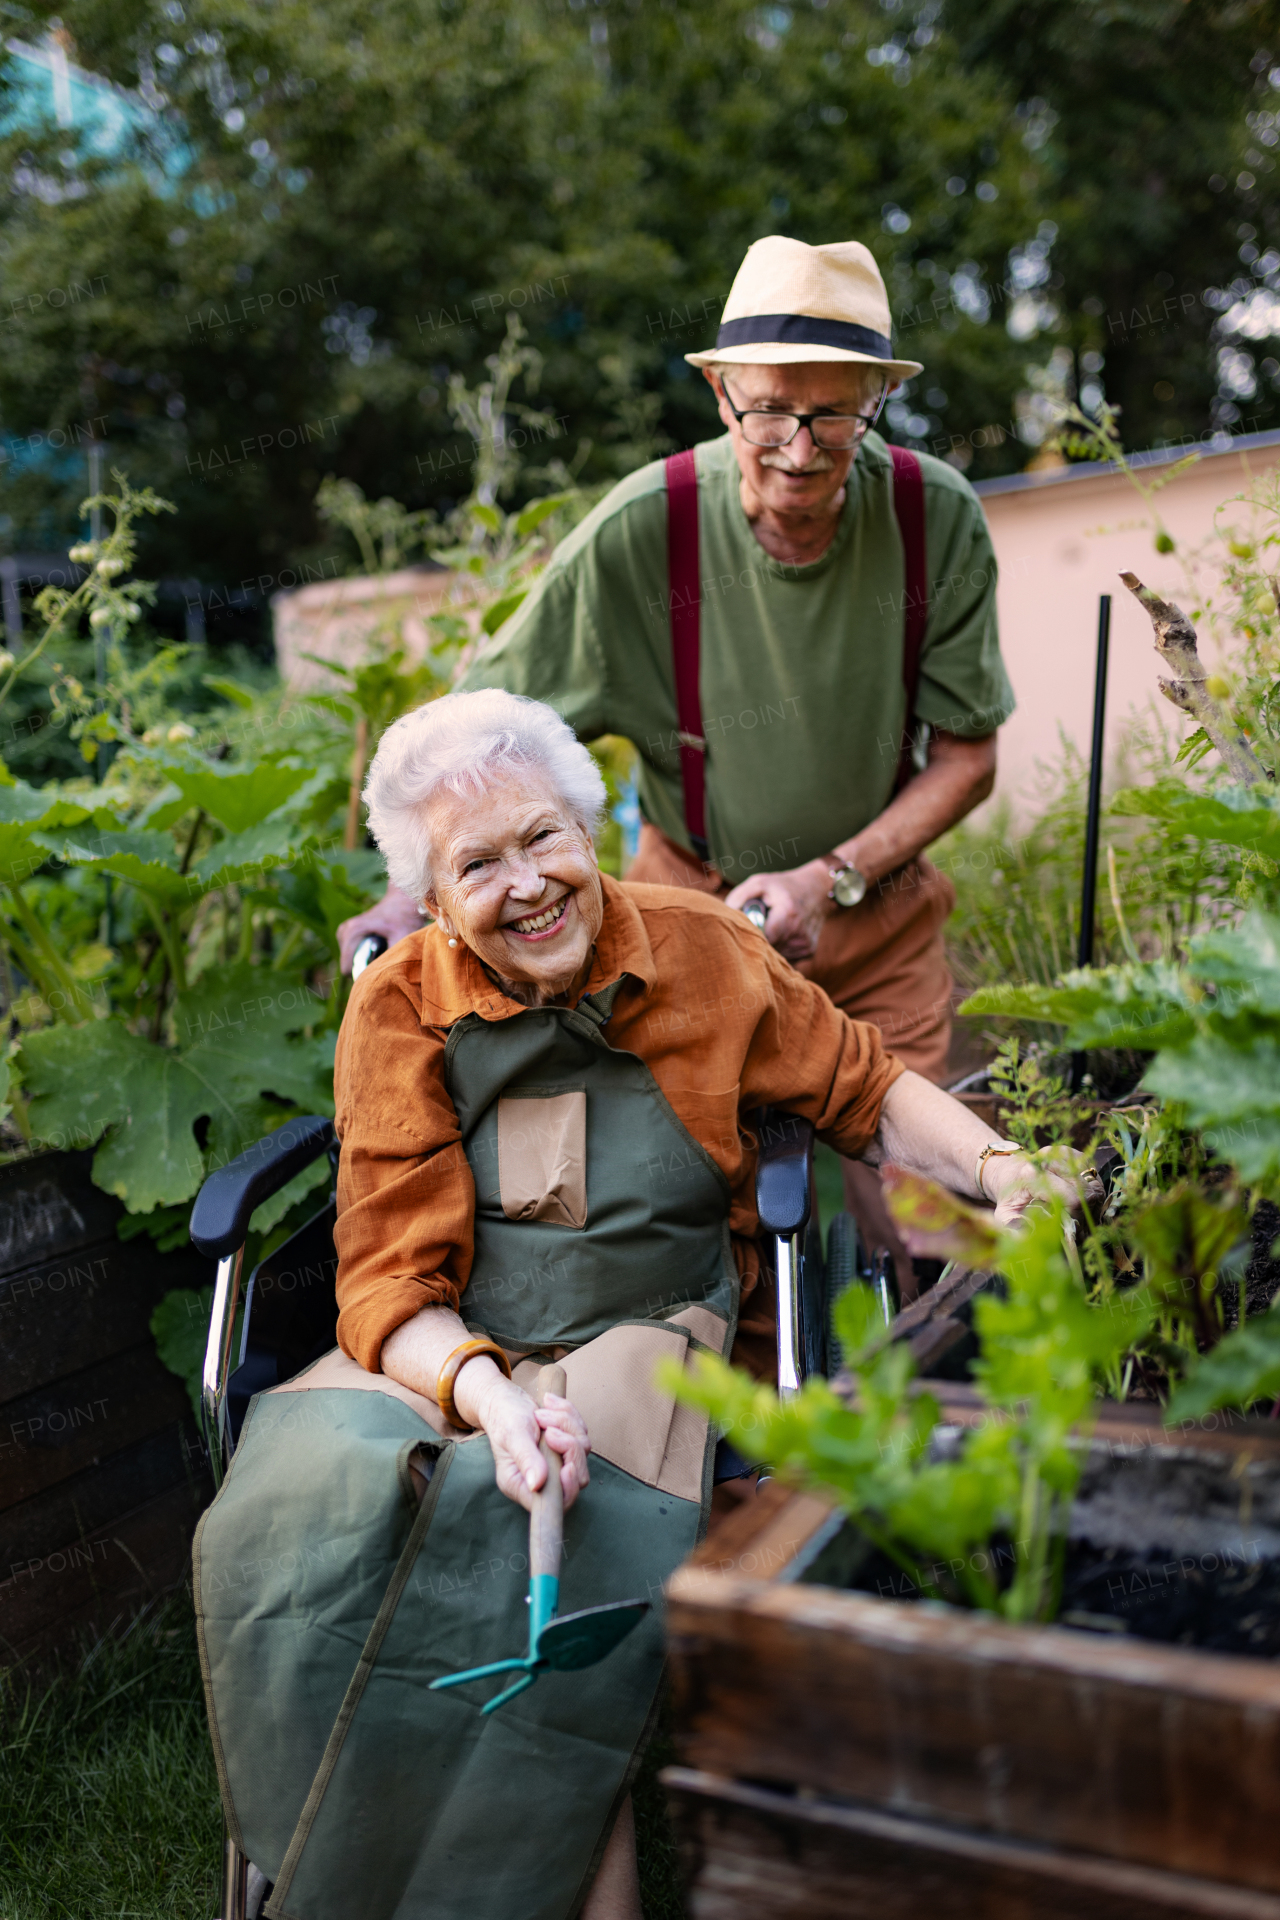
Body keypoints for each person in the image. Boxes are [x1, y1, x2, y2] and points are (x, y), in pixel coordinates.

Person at [199, 690, 1060, 1920]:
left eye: (543, 838)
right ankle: (323, 1866)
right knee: (295, 1509)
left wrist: (1002, 1170)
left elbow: (861, 1087)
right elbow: (389, 1278)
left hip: (641, 1327)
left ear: (589, 827)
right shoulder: (397, 1004)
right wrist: (488, 1396)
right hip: (445, 1343)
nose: (528, 884)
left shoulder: (699, 947)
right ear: (433, 899)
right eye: (477, 865)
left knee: (552, 1518)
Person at [337, 235, 1014, 1293]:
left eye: (834, 411)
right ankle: (720, 1430)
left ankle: (936, 1427)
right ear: (720, 395)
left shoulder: (933, 521)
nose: (798, 445)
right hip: (682, 930)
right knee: (678, 1214)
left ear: (876, 398)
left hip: (871, 915)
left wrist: (827, 877)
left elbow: (968, 756)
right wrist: (402, 894)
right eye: (769, 410)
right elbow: (471, 736)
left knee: (936, 1230)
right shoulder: (643, 534)